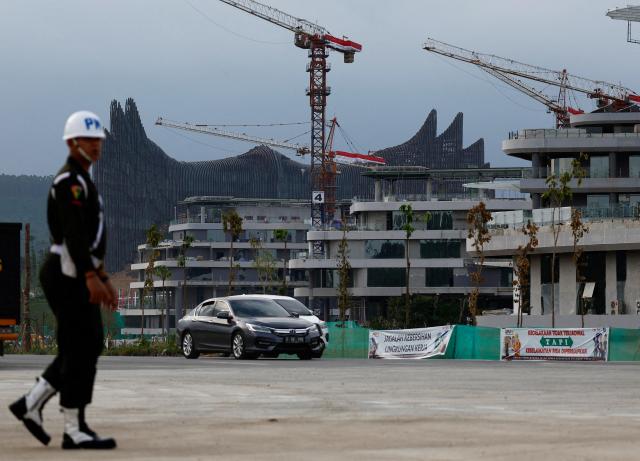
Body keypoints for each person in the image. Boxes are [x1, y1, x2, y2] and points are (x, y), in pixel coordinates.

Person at [9, 111, 117, 449]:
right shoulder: (68, 181)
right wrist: (90, 275)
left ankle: (32, 403)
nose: (96, 146)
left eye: (98, 140)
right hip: (66, 272)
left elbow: (89, 235)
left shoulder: (85, 181)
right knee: (81, 346)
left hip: (78, 270)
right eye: (89, 140)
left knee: (85, 345)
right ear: (73, 143)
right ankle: (73, 427)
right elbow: (74, 234)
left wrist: (101, 275)